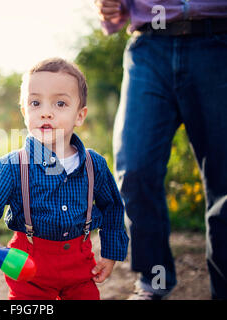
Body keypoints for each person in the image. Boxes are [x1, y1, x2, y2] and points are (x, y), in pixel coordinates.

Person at [0, 58, 129, 300]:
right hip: (28, 268)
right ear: (25, 112)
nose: (46, 112)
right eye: (35, 103)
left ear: (80, 116)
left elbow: (112, 207)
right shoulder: (15, 164)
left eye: (60, 103)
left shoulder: (94, 165)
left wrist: (111, 252)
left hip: (79, 267)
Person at [95, 0, 227, 299]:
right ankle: (153, 281)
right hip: (149, 47)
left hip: (220, 42)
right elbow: (112, 9)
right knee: (135, 170)